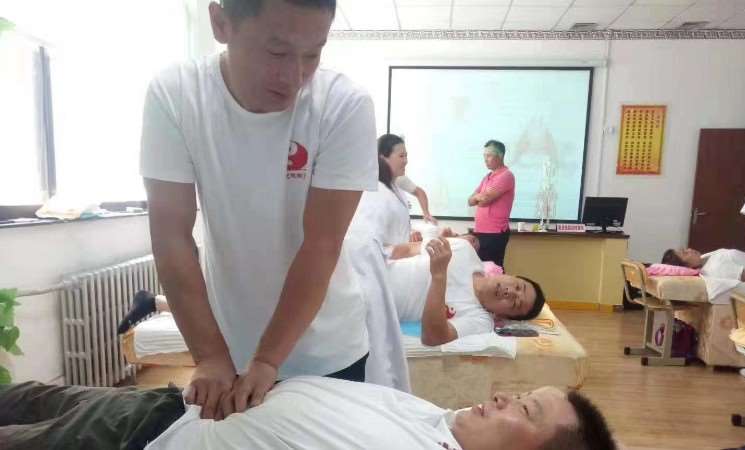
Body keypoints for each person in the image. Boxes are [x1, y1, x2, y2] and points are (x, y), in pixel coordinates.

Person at [140, 0, 378, 419]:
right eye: (277, 52)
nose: (295, 77)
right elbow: (171, 235)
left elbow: (321, 244)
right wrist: (210, 355)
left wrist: (267, 361)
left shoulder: (344, 105)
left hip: (328, 350)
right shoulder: (177, 95)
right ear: (221, 23)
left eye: (313, 54)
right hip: (228, 346)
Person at [0, 376, 617, 450]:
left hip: (137, 441)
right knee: (26, 394)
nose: (505, 396)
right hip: (169, 404)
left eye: (526, 408)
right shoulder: (440, 419)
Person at [390, 237, 545, 346]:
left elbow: (433, 338)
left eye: (515, 303)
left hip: (380, 306)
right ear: (511, 275)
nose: (510, 293)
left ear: (503, 316)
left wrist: (439, 276)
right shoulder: (464, 249)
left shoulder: (480, 321)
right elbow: (408, 249)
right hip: (379, 268)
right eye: (518, 286)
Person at [468, 140, 515, 267]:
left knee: (493, 270)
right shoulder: (487, 177)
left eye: (489, 155)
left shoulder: (506, 176)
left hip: (494, 233)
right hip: (480, 231)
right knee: (481, 269)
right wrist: (479, 197)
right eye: (484, 156)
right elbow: (470, 201)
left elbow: (484, 201)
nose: (485, 159)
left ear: (500, 156)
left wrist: (480, 197)